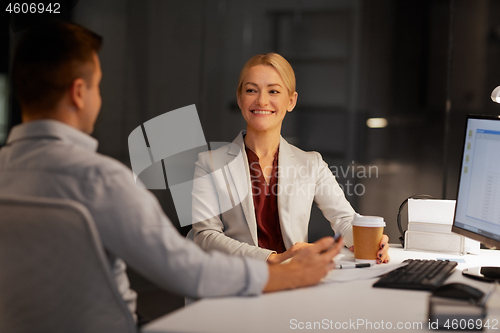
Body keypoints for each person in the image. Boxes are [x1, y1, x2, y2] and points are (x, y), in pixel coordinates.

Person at [0, 22, 344, 321]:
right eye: (98, 85)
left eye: (273, 91)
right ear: (79, 93)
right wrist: (288, 271)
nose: (262, 100)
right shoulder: (103, 181)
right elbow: (186, 268)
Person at [192, 53, 390, 264]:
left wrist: (369, 239)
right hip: (238, 280)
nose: (262, 100)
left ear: (291, 101)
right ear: (240, 98)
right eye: (251, 90)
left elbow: (343, 218)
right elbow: (205, 236)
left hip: (294, 279)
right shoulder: (209, 164)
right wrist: (272, 258)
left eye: (274, 91)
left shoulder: (311, 163)